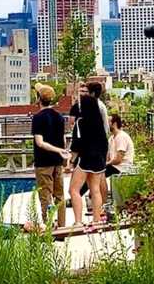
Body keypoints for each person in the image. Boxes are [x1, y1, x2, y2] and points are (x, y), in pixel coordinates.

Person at [69, 90, 109, 226]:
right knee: (95, 189)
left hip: (84, 160)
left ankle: (78, 221)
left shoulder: (80, 123)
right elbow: (105, 143)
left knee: (74, 190)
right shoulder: (99, 123)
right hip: (98, 160)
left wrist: (69, 162)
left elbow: (75, 145)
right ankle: (96, 220)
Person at [30, 85, 67, 228]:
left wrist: (55, 149)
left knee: (45, 195)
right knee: (60, 195)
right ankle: (62, 226)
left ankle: (49, 226)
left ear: (39, 98)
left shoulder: (38, 118)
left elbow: (39, 142)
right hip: (57, 162)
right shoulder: (59, 117)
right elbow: (63, 140)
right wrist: (60, 151)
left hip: (43, 162)